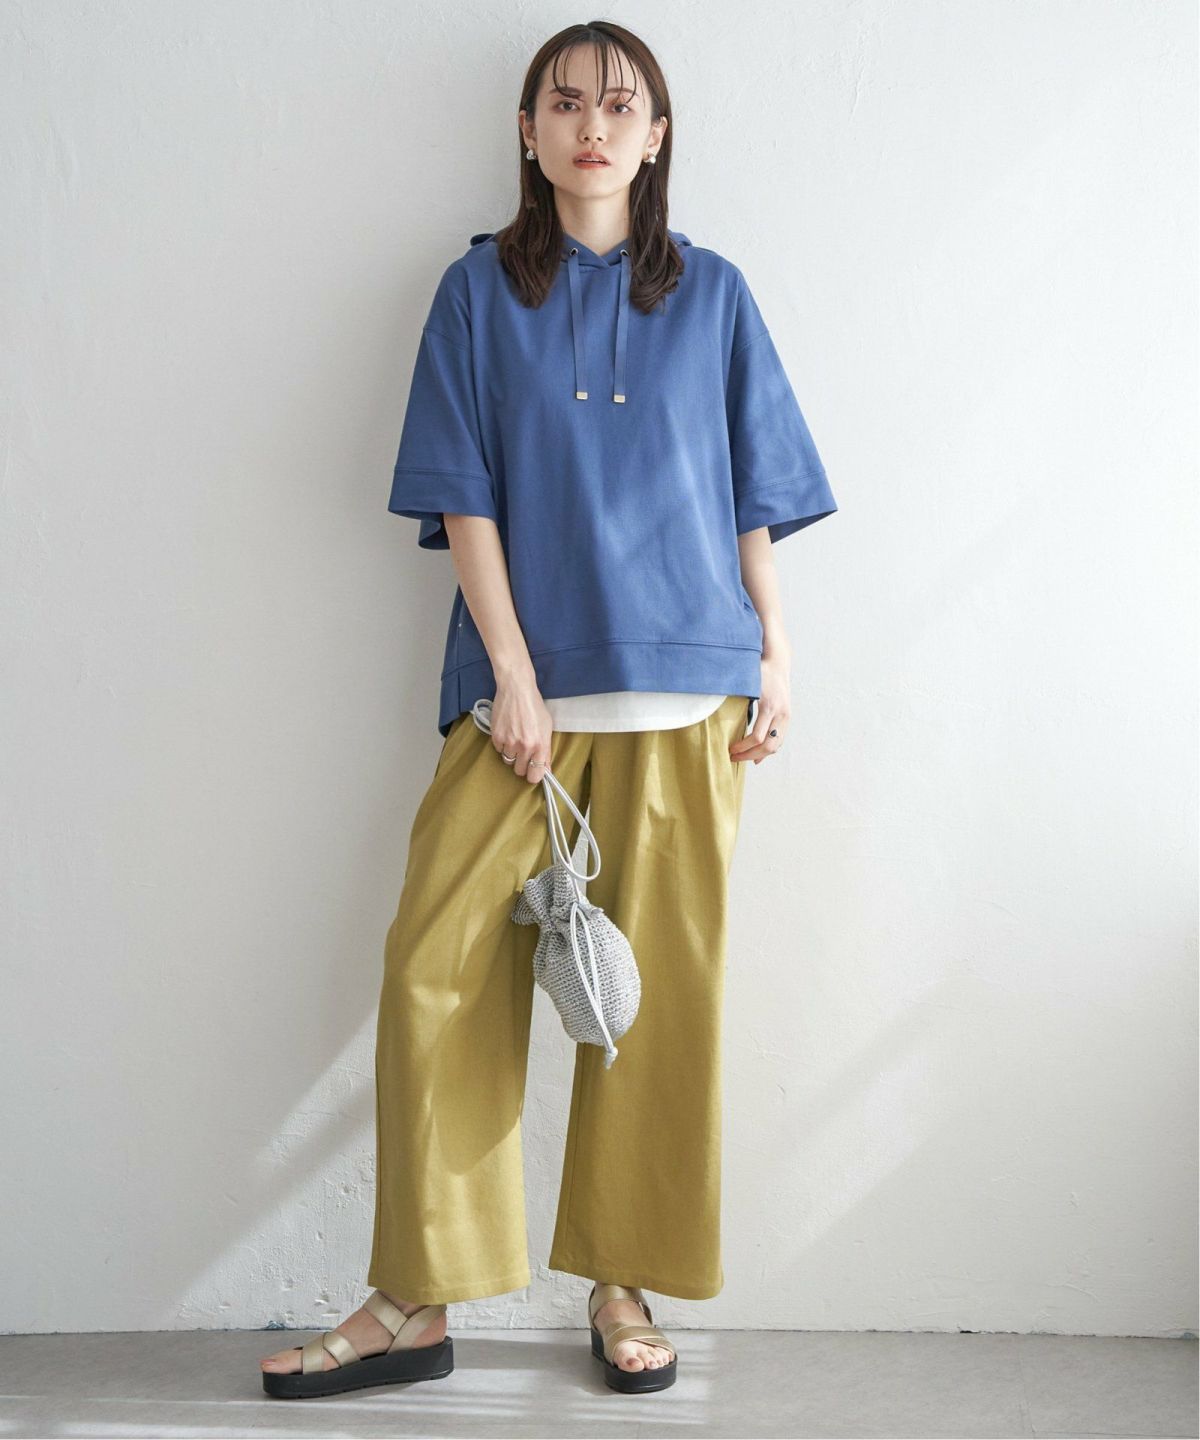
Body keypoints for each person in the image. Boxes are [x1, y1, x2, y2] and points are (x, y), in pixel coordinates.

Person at [261, 18, 837, 1400]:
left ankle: (623, 1283)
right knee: (435, 971)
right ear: (527, 132)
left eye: (620, 104)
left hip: (690, 692)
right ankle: (415, 1297)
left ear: (656, 135)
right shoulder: (475, 293)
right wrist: (511, 671)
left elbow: (754, 494)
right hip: (524, 702)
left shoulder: (715, 294)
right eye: (565, 103)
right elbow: (463, 493)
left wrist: (776, 648)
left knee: (660, 1006)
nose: (592, 124)